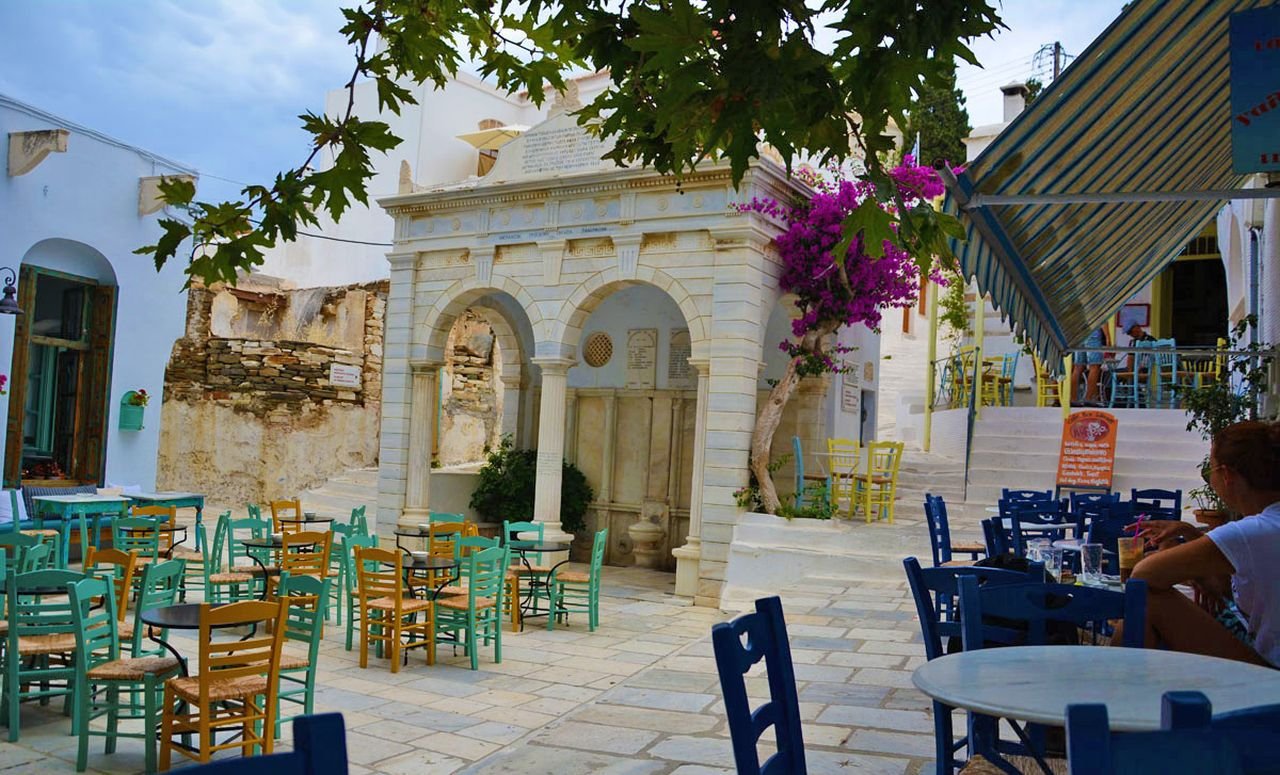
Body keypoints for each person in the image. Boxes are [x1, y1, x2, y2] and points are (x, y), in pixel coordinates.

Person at [1124, 420, 1280, 667]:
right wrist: (1190, 536)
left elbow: (1144, 574)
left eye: (1211, 471)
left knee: (1146, 600)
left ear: (1226, 475)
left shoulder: (1252, 531)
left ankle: (1120, 683)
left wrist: (1175, 556)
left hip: (1271, 673)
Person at [1070, 327, 1107, 405]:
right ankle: (1089, 398)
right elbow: (1103, 321)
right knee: (1095, 367)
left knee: (1078, 367)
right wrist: (1108, 337)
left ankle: (1073, 399)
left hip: (1079, 333)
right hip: (1093, 333)